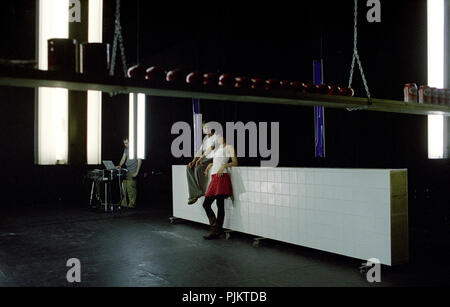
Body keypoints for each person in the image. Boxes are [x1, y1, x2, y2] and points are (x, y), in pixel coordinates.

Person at [202, 134, 238, 240]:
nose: (217, 139)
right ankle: (216, 229)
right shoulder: (218, 149)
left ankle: (216, 231)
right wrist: (210, 165)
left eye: (219, 136)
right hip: (214, 177)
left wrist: (224, 166)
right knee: (206, 204)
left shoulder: (229, 147)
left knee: (219, 204)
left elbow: (235, 162)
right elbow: (216, 161)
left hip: (222, 177)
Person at [186, 122, 216, 205]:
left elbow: (211, 149)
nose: (205, 129)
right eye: (204, 128)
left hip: (212, 158)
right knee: (189, 167)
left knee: (198, 168)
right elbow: (199, 151)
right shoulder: (206, 138)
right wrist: (193, 161)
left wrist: (200, 159)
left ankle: (199, 192)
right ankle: (196, 192)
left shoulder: (216, 136)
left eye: (206, 127)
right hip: (204, 158)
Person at [117, 137, 142, 209]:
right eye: (124, 143)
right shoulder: (126, 149)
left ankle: (132, 204)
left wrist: (137, 172)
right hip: (126, 170)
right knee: (123, 187)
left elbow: (139, 160)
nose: (125, 145)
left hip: (133, 171)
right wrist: (119, 165)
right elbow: (123, 158)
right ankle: (124, 203)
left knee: (131, 188)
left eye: (127, 143)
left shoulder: (136, 149)